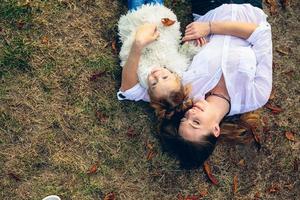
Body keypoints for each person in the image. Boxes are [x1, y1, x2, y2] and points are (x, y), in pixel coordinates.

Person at [159, 3, 272, 168]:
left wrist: (195, 39)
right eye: (196, 122)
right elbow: (261, 34)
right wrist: (210, 28)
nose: (191, 113)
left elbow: (183, 53)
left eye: (185, 118)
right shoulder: (255, 96)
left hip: (208, 8)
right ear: (215, 130)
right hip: (248, 8)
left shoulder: (188, 88)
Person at [118, 2, 204, 119]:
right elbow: (184, 54)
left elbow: (127, 55)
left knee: (136, 4)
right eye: (165, 78)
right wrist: (194, 45)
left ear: (149, 92)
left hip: (139, 22)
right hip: (162, 24)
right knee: (157, 3)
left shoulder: (142, 73)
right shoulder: (178, 66)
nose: (157, 75)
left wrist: (139, 40)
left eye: (154, 84)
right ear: (176, 77)